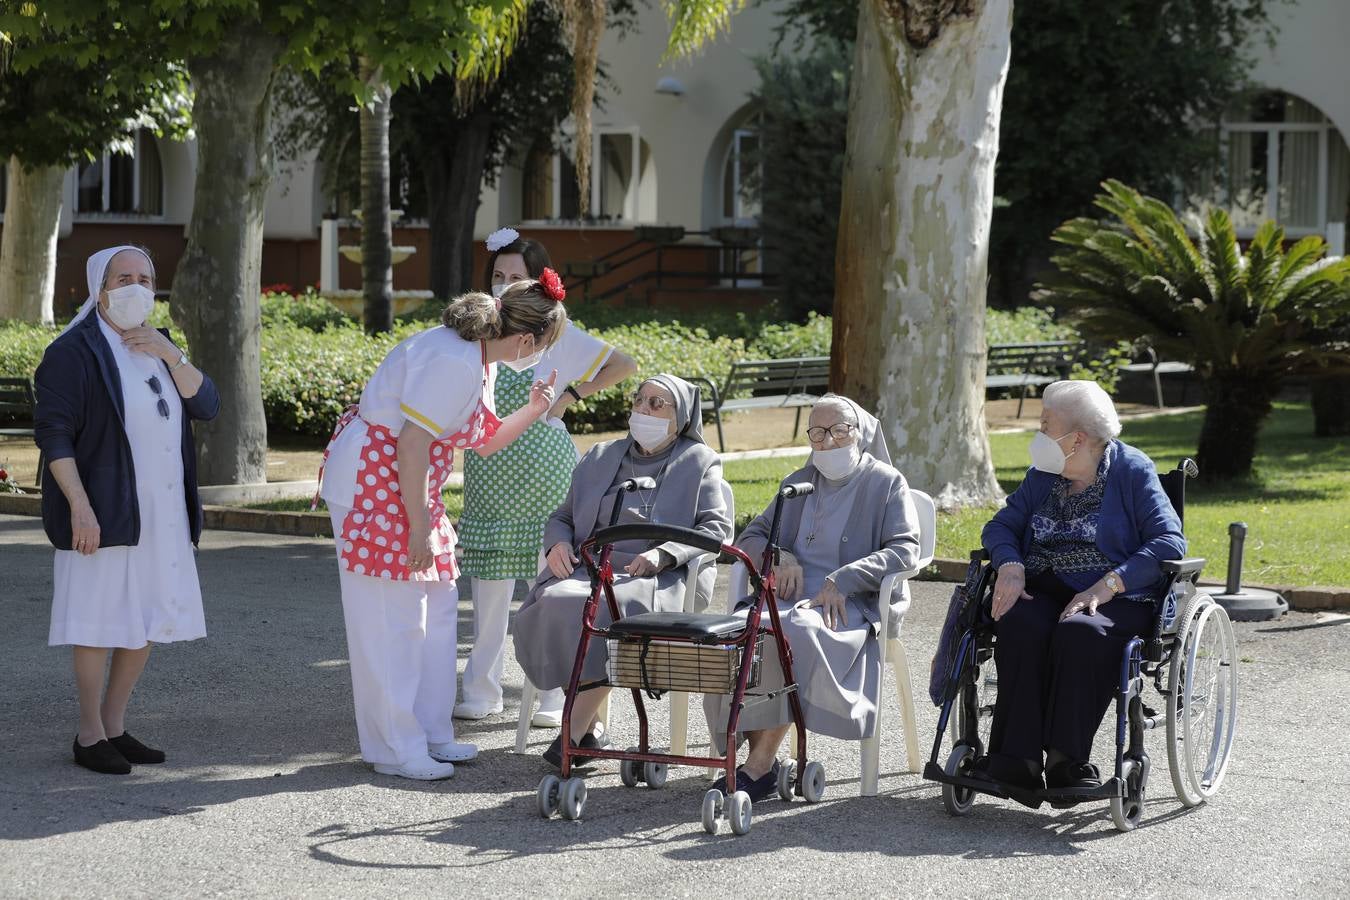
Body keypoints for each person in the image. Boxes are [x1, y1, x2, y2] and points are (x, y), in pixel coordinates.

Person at [316, 276, 566, 780]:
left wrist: (535, 409)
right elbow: (411, 444)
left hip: (403, 480)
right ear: (525, 341)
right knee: (394, 620)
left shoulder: (477, 357)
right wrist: (418, 528)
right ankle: (394, 747)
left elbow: (485, 440)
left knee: (436, 609)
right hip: (378, 481)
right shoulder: (455, 361)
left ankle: (430, 732)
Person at [34, 245, 220, 775]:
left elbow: (207, 405)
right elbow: (55, 438)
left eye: (146, 277)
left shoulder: (160, 347)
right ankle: (89, 733)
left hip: (163, 513)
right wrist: (80, 507)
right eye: (124, 278)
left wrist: (170, 354)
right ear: (100, 289)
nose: (137, 286)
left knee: (145, 620)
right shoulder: (72, 352)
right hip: (104, 510)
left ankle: (115, 724)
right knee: (98, 620)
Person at [454, 228, 636, 726]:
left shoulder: (556, 331)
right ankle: (481, 689)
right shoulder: (473, 331)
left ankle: (553, 696)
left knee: (550, 587)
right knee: (489, 588)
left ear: (538, 282)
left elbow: (624, 364)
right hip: (489, 471)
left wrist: (570, 397)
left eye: (517, 276)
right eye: (497, 275)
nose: (504, 285)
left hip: (548, 474)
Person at [703, 394, 920, 800]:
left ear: (860, 433)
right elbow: (751, 536)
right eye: (818, 433)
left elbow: (905, 549)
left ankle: (758, 766)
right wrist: (780, 556)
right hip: (787, 598)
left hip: (848, 603)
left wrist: (847, 576)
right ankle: (758, 762)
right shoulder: (796, 484)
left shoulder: (887, 482)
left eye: (840, 430)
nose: (829, 441)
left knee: (791, 633)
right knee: (742, 631)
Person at [977, 380, 1185, 801]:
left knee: (1081, 633)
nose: (1037, 433)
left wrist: (1106, 586)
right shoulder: (1043, 476)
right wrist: (1011, 567)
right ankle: (1016, 760)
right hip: (1044, 584)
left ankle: (1065, 761)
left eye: (1045, 424)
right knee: (1017, 620)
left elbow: (1168, 541)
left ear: (1077, 438)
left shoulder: (1131, 470)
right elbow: (1001, 525)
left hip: (1118, 593)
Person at [512, 375, 732, 767]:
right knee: (557, 599)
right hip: (591, 566)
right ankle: (589, 729)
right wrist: (558, 543)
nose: (643, 410)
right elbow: (562, 516)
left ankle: (573, 731)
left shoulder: (699, 460)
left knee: (604, 609)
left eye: (656, 404)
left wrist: (665, 554)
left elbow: (715, 529)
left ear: (680, 417)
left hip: (656, 576)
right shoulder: (600, 455)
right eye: (640, 401)